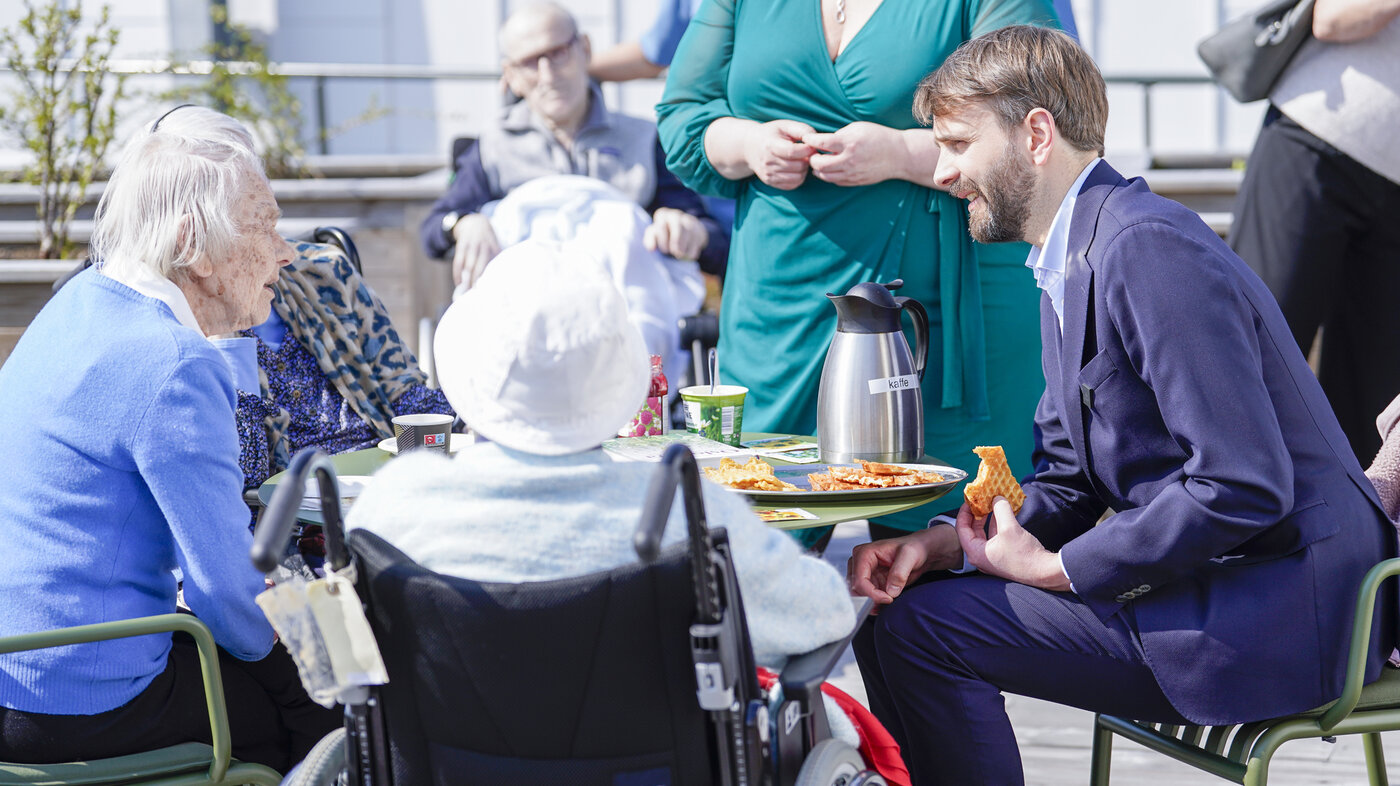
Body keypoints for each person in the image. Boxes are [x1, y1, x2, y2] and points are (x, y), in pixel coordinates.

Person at [845, 26, 1397, 786]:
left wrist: (1061, 569)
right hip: (1228, 584)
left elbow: (1243, 482)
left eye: (957, 143)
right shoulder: (1072, 256)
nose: (942, 171)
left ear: (1035, 133)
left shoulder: (1146, 247)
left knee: (923, 632)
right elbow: (1067, 482)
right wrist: (937, 546)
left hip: (1287, 611)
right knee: (893, 617)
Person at [345, 239, 910, 770]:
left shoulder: (394, 506)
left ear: (469, 372)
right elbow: (822, 616)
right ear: (617, 379)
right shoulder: (686, 512)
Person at [0, 107, 340, 770]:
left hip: (20, 675)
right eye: (262, 224)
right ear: (194, 245)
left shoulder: (79, 303)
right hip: (78, 705)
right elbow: (235, 611)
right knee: (326, 696)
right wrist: (328, 629)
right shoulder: (170, 362)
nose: (286, 250)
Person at [655, 0, 1061, 544]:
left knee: (943, 570)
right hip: (779, 305)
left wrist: (898, 153)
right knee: (749, 561)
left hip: (948, 311)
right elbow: (683, 114)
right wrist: (749, 144)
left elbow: (1038, 121)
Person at [419, 1, 728, 287]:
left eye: (558, 52)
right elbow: (433, 231)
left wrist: (687, 230)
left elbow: (713, 239)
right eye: (529, 62)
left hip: (628, 324)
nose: (548, 75)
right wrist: (463, 224)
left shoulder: (645, 139)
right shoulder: (491, 146)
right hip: (526, 319)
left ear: (585, 49)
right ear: (509, 74)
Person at [1227, 0, 1400, 463]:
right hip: (1316, 139)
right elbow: (1332, 17)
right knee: (1248, 366)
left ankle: (1357, 535)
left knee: (1377, 414)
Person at [230, 238, 453, 494]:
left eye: (275, 224)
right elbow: (245, 478)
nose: (286, 251)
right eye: (261, 229)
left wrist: (469, 411)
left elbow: (403, 391)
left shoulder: (324, 267)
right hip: (293, 505)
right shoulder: (198, 323)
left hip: (382, 477)